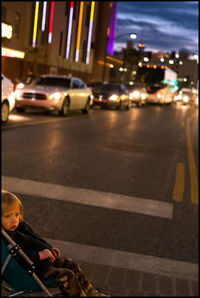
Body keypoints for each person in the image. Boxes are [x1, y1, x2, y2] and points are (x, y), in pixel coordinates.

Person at [2, 190, 108, 297]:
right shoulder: (6, 237)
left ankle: (91, 294)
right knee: (67, 275)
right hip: (30, 273)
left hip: (38, 267)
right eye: (7, 216)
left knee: (70, 264)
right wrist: (41, 254)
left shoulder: (17, 229)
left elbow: (33, 241)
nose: (14, 220)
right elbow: (19, 258)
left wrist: (49, 249)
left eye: (16, 215)